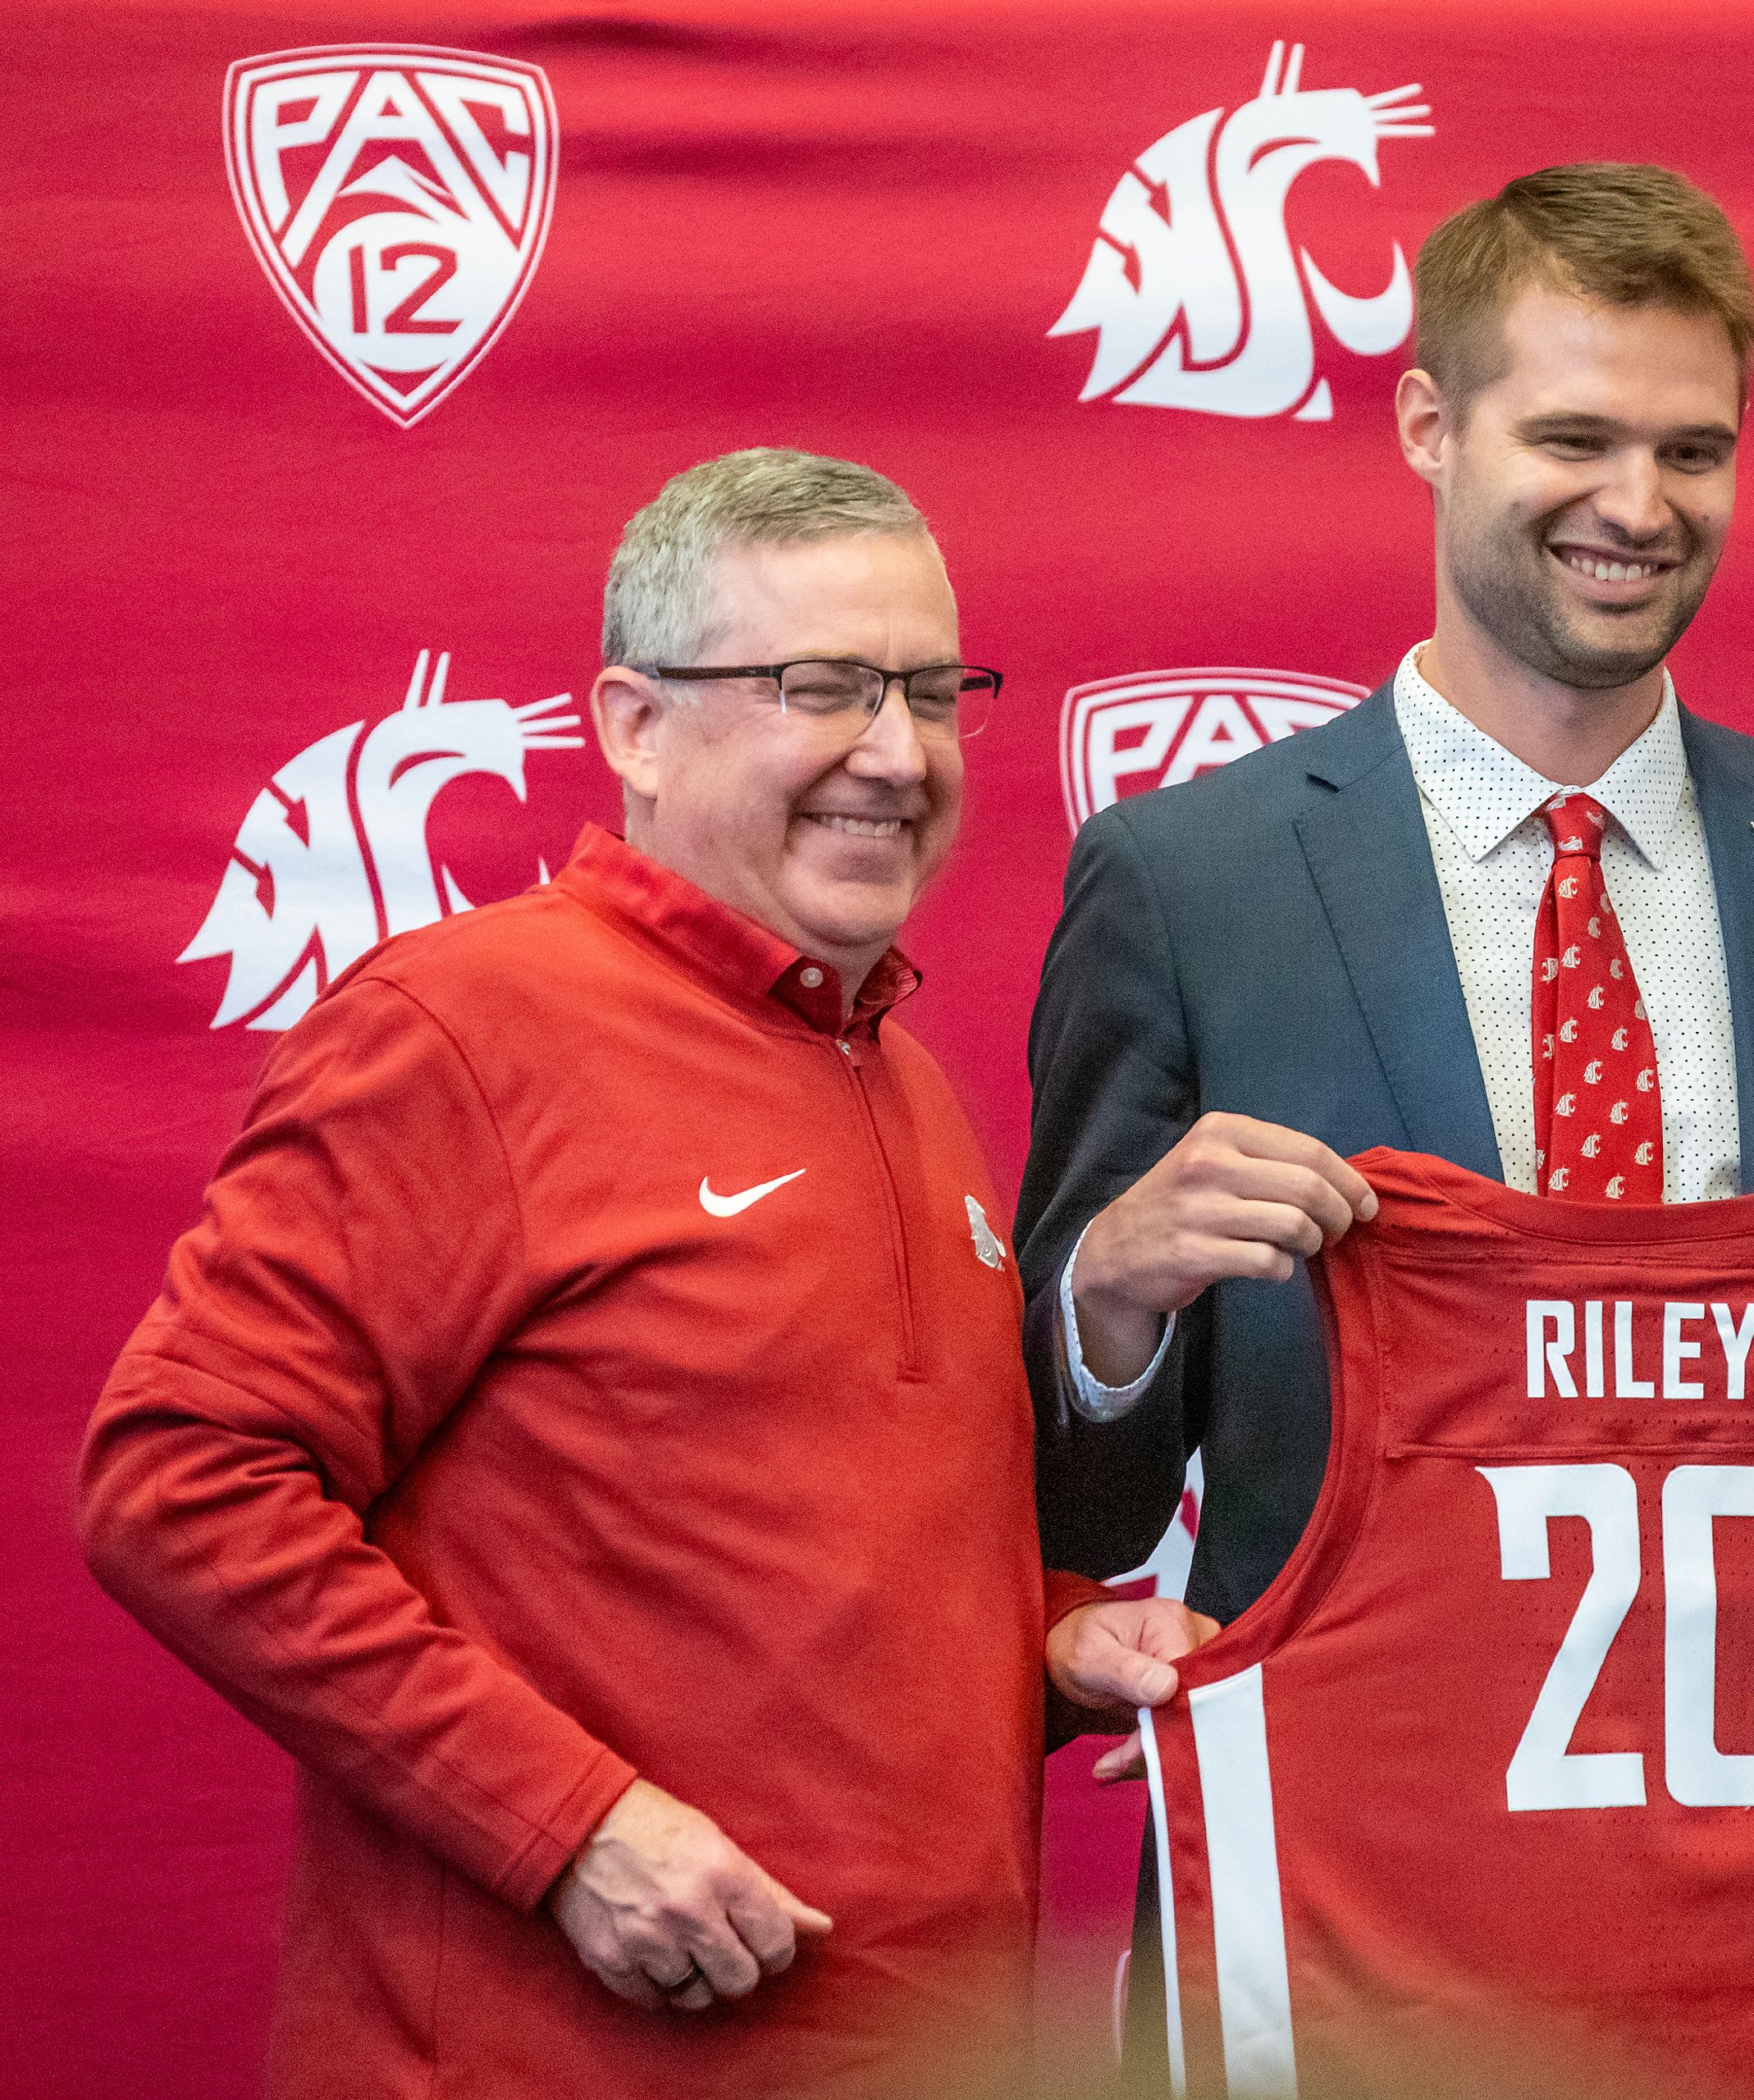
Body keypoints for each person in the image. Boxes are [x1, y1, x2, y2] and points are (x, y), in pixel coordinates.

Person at [1016, 162, 1754, 2015]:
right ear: (1427, 424)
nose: (1637, 506)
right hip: (1355, 1895)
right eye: (1572, 436)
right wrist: (1114, 1300)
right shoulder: (1187, 881)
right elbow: (1081, 1488)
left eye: (1692, 451)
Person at [75, 449, 1182, 2100]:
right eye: (823, 686)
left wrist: (1052, 1641)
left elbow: (771, 1577)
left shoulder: (907, 1079)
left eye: (935, 689)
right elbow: (179, 1477)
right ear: (634, 723)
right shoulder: (459, 1028)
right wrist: (568, 1822)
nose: (899, 752)